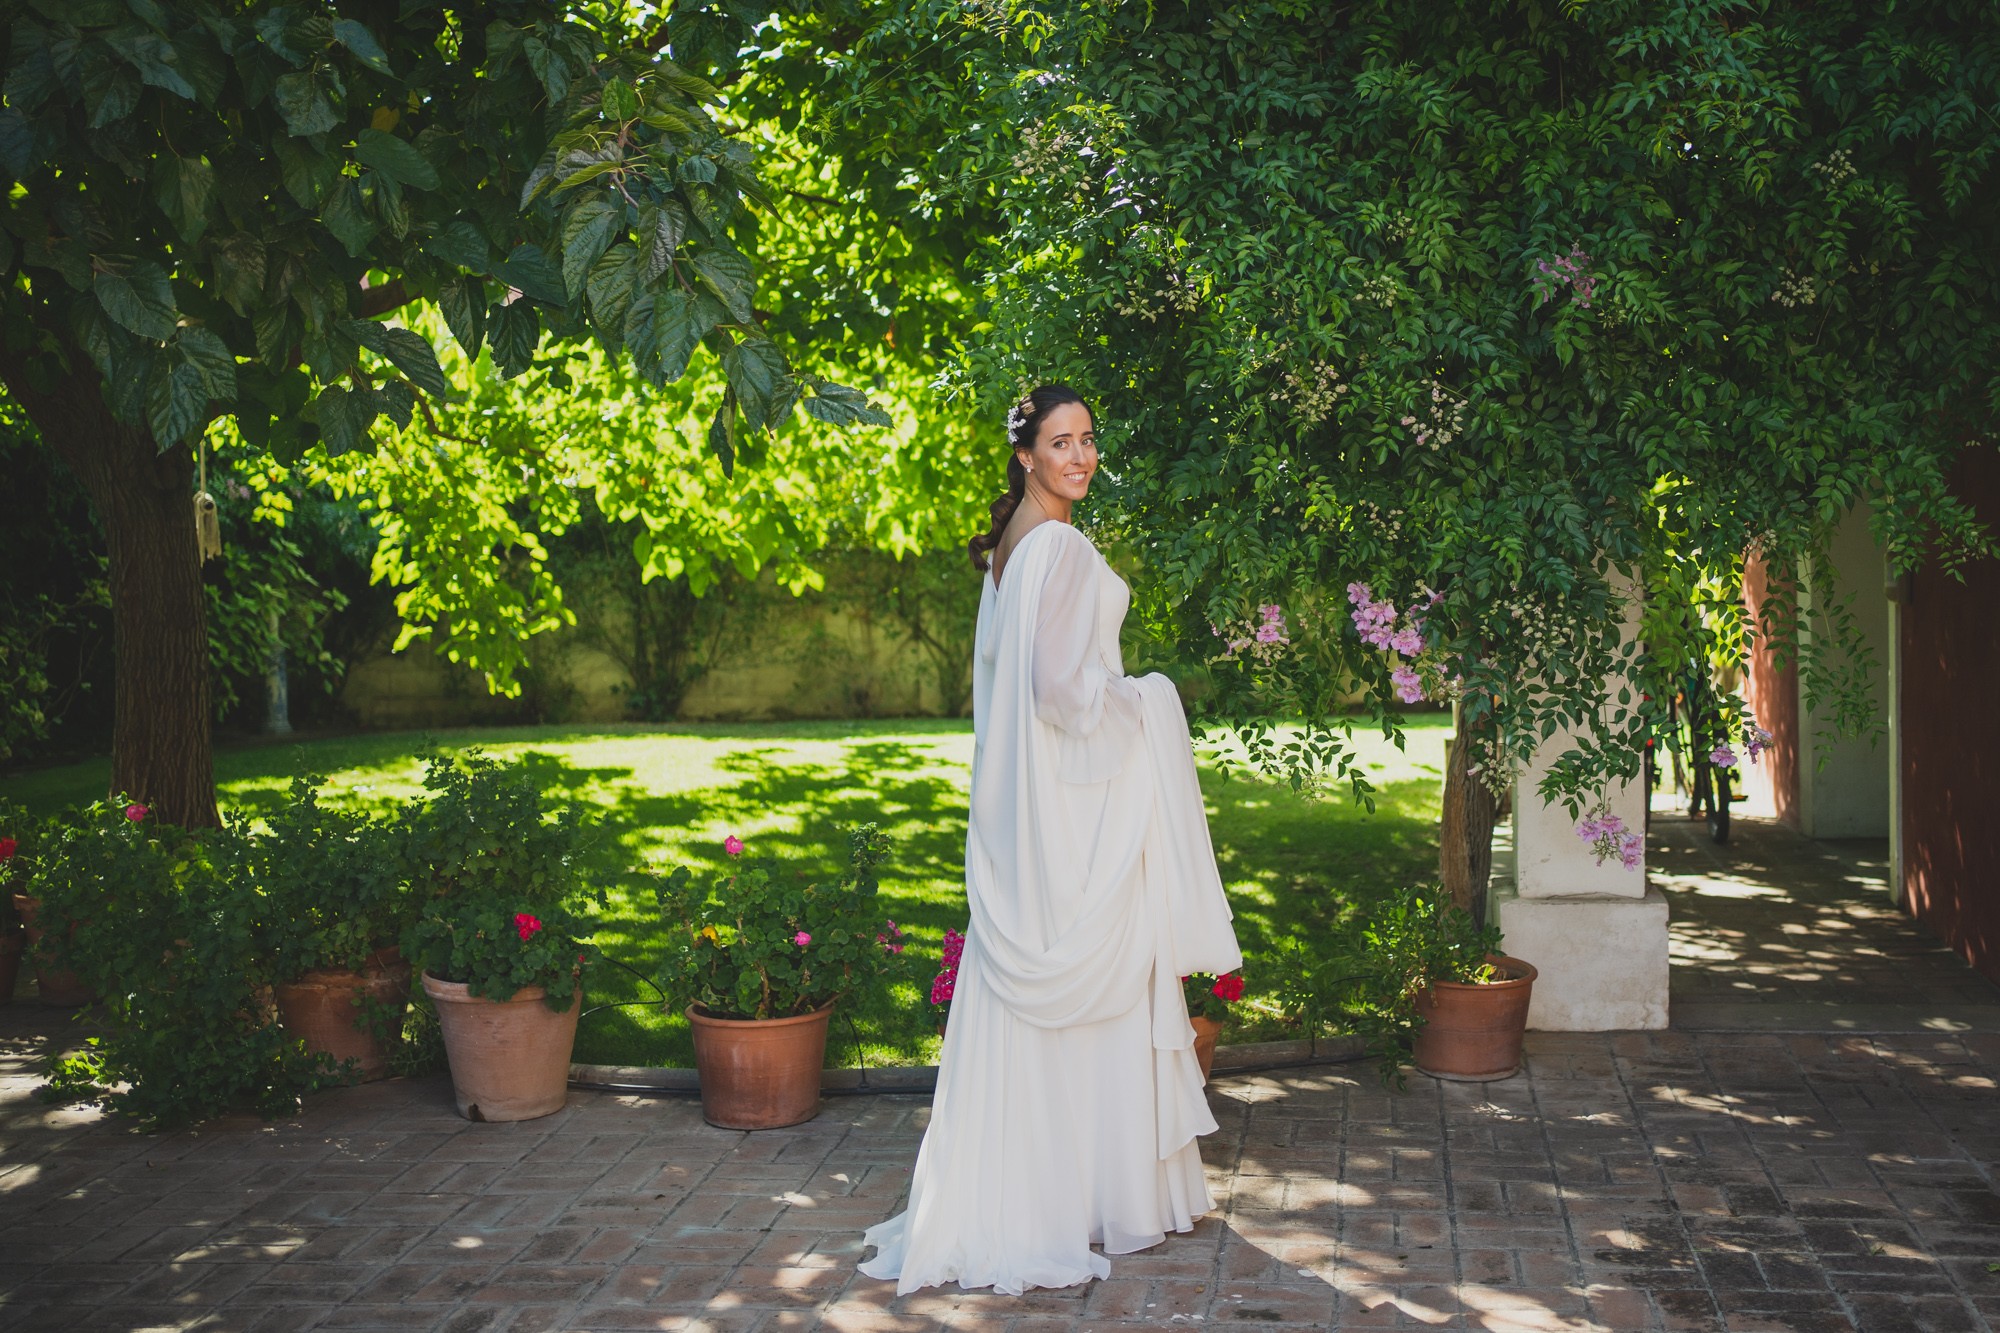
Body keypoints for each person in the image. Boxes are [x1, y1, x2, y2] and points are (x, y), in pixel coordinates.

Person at [857, 384, 1244, 1295]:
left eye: (1087, 440)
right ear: (1025, 454)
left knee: (1038, 1011)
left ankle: (1034, 1197)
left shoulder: (1010, 547)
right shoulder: (1057, 546)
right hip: (1073, 812)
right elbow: (1064, 696)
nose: (1079, 457)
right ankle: (1097, 1197)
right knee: (1100, 995)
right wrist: (1148, 696)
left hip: (1021, 816)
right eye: (1060, 443)